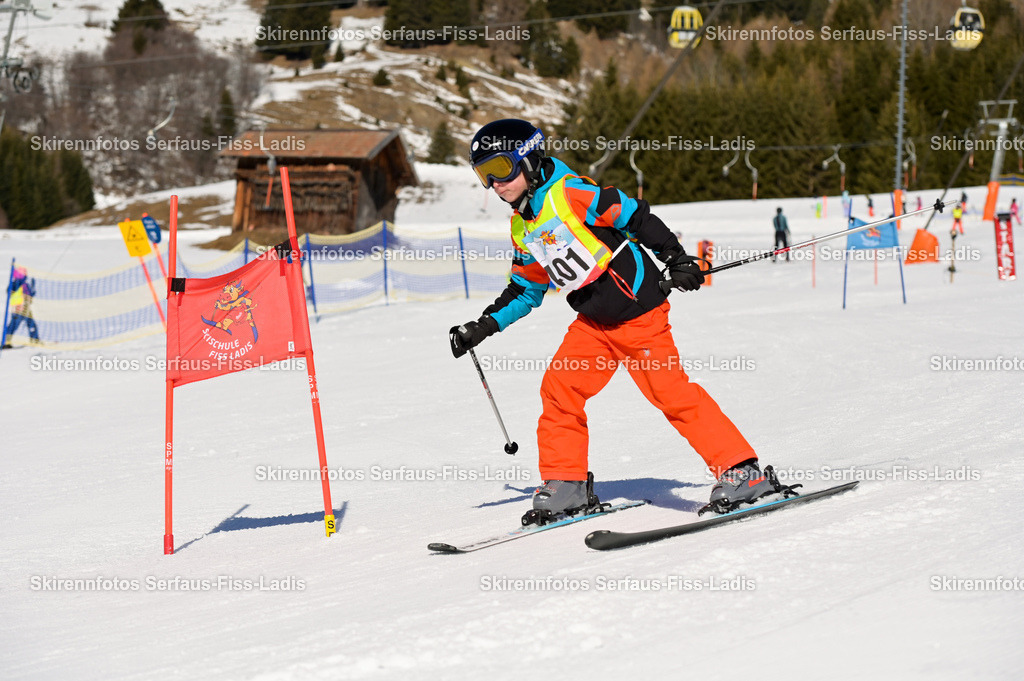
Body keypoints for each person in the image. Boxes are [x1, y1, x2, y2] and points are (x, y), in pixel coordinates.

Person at [450, 119, 776, 519]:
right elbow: (526, 289)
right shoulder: (523, 226)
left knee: (671, 395)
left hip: (639, 316)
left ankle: (742, 471)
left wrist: (676, 258)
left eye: (501, 169)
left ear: (530, 159)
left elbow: (636, 217)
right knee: (559, 388)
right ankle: (566, 483)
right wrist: (483, 326)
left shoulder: (570, 193)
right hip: (594, 325)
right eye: (484, 175)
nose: (495, 184)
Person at [3, 266, 41, 348]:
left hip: (26, 308)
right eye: (24, 274)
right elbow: (9, 291)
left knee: (31, 324)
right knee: (13, 325)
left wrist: (32, 291)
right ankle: (6, 341)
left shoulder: (25, 284)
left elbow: (29, 294)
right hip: (18, 308)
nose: (25, 275)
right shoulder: (14, 283)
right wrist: (16, 285)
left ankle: (35, 340)